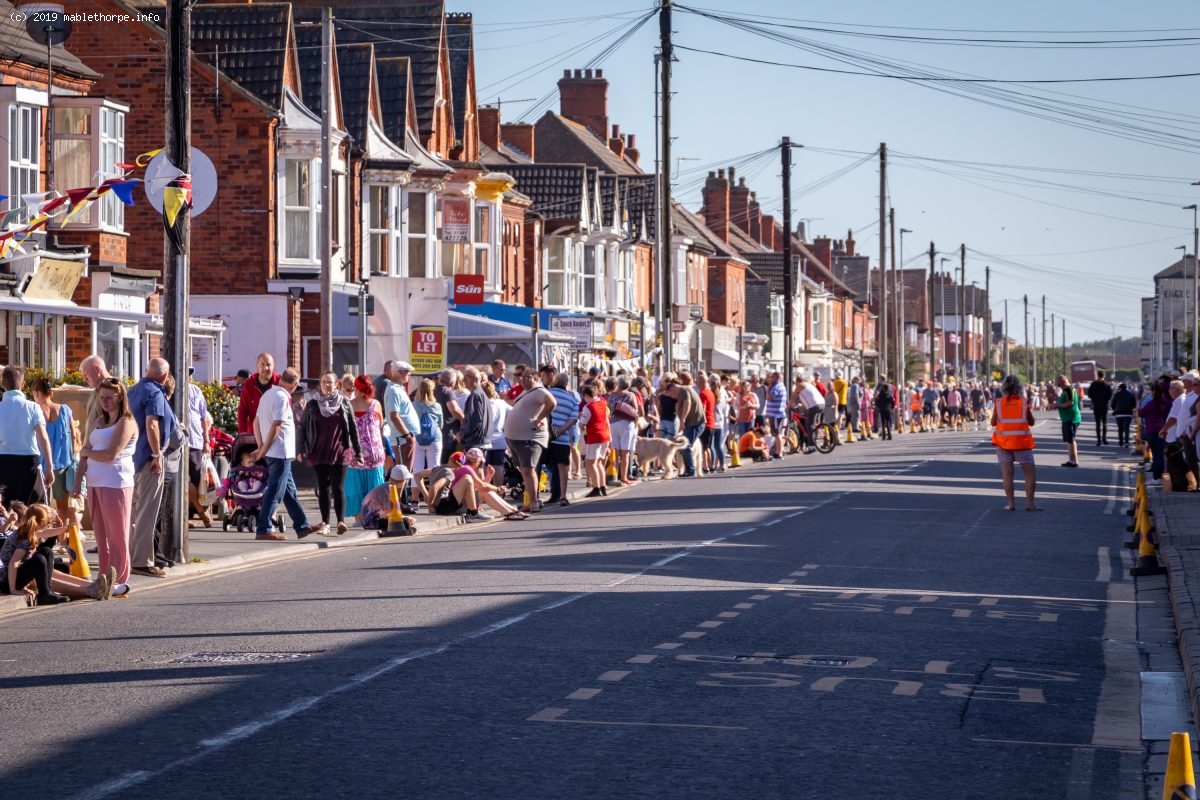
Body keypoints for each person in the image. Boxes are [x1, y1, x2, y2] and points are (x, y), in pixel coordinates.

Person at [72, 377, 138, 596]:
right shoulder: (99, 421)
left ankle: (120, 579)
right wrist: (77, 483)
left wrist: (87, 452)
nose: (105, 402)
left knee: (117, 534)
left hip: (116, 482)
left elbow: (111, 455)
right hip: (95, 482)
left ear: (120, 398)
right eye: (102, 398)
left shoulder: (126, 422)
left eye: (109, 398)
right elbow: (84, 453)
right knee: (100, 536)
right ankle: (103, 576)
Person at [252, 367, 326, 540]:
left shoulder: (267, 395)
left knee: (289, 491)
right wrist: (263, 449)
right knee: (275, 491)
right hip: (280, 452)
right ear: (294, 384)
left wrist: (261, 445)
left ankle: (302, 526)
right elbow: (276, 426)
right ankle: (263, 528)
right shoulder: (282, 398)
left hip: (275, 452)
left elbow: (256, 422)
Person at [1, 504, 113, 605]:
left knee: (46, 552)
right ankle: (85, 590)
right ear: (42, 524)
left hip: (15, 576)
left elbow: (44, 533)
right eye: (48, 524)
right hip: (7, 582)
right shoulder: (24, 538)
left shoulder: (29, 532)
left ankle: (92, 585)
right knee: (39, 560)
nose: (48, 526)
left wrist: (64, 529)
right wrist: (13, 589)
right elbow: (13, 563)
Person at [127, 358, 176, 578]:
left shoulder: (133, 390)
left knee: (132, 513)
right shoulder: (155, 393)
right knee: (146, 513)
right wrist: (157, 454)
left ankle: (129, 557)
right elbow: (152, 423)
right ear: (165, 376)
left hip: (131, 459)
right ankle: (142, 561)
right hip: (148, 460)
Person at [300, 371, 362, 535]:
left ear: (336, 385)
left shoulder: (344, 403)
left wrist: (358, 451)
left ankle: (341, 521)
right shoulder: (312, 405)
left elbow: (353, 428)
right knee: (323, 488)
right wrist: (300, 449)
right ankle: (326, 523)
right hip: (318, 452)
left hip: (340, 452)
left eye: (330, 382)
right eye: (324, 382)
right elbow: (303, 427)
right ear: (320, 385)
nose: (327, 385)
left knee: (338, 487)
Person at [0, 366, 54, 505]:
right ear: (23, 384)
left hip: (3, 462)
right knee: (33, 510)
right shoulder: (33, 407)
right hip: (29, 463)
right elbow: (43, 437)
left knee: (4, 509)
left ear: (3, 385)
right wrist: (49, 466)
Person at [504, 367, 555, 513]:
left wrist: (540, 418)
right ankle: (530, 500)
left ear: (535, 378)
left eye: (527, 377)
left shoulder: (539, 390)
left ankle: (533, 502)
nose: (523, 379)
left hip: (529, 437)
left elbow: (552, 402)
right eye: (521, 376)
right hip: (516, 438)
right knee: (523, 470)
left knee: (528, 469)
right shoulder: (526, 391)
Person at [30, 378, 76, 522]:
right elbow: (74, 436)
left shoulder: (34, 411)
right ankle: (61, 535)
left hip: (40, 466)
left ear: (37, 393)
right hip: (61, 464)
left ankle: (43, 534)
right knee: (62, 507)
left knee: (38, 508)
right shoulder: (65, 410)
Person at [991, 374, 1039, 512]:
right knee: (1029, 474)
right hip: (1021, 443)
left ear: (1003, 388)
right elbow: (1031, 422)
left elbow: (993, 422)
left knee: (1007, 474)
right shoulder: (1023, 402)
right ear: (1019, 387)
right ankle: (1030, 504)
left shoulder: (999, 403)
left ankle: (1011, 504)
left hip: (1003, 444)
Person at [344, 374, 386, 525]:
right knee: (375, 486)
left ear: (356, 389)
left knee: (355, 487)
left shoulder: (348, 405)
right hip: (374, 452)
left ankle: (359, 518)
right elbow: (380, 425)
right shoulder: (376, 404)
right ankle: (375, 516)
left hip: (356, 454)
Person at [451, 447, 526, 520]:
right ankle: (508, 512)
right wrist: (498, 489)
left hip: (458, 503)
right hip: (455, 506)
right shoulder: (467, 468)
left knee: (486, 491)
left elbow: (480, 487)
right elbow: (482, 486)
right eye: (481, 463)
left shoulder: (465, 467)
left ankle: (512, 511)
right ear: (477, 462)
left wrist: (489, 475)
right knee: (485, 492)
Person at [546, 372, 580, 503]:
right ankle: (563, 495)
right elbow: (573, 419)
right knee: (562, 467)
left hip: (545, 435)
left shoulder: (547, 393)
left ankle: (538, 495)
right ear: (566, 384)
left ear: (555, 381)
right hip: (562, 438)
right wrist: (560, 430)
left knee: (543, 465)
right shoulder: (572, 399)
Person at [184, 371, 213, 526]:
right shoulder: (169, 389)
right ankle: (199, 511)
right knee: (183, 480)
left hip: (195, 440)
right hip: (177, 443)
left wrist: (206, 441)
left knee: (198, 480)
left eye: (188, 373)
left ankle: (201, 509)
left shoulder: (195, 390)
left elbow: (203, 417)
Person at [384, 360, 419, 474]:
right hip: (402, 438)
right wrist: (407, 435)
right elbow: (394, 416)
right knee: (403, 473)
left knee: (404, 473)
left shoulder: (397, 388)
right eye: (407, 372)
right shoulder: (394, 390)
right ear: (400, 372)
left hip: (403, 437)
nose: (409, 374)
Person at [579, 383, 611, 497]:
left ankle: (596, 488)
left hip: (594, 437)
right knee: (599, 463)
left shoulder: (588, 407)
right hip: (605, 435)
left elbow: (582, 425)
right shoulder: (603, 403)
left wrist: (580, 422)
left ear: (587, 395)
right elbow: (606, 419)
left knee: (590, 462)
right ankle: (603, 486)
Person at [412, 377, 445, 483]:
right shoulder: (437, 406)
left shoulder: (414, 405)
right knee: (435, 468)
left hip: (418, 438)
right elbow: (440, 425)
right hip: (435, 438)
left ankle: (415, 493)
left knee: (416, 469)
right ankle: (434, 492)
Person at [238, 353, 279, 434]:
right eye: (262, 364)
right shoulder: (249, 385)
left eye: (268, 365)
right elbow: (243, 410)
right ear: (257, 365)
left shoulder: (279, 383)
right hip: (254, 434)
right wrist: (243, 434)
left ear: (273, 366)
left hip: (276, 434)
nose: (265, 368)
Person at [459, 366, 493, 454]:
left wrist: (463, 434)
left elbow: (474, 421)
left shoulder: (475, 395)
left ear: (475, 379)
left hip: (475, 442)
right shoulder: (481, 394)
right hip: (480, 440)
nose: (464, 380)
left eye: (466, 377)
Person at [434, 368, 465, 461]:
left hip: (433, 434)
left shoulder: (433, 390)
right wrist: (463, 419)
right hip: (447, 435)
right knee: (446, 463)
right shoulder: (447, 392)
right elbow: (454, 410)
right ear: (452, 382)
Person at [1054, 374, 1082, 467]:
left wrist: (1058, 405)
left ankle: (1074, 460)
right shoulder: (1066, 390)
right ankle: (1071, 459)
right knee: (1069, 440)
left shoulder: (1069, 389)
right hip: (1067, 418)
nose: (1059, 387)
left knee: (1071, 439)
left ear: (1063, 382)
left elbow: (1070, 402)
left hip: (1071, 418)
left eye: (1059, 384)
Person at [482, 380, 510, 471]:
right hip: (500, 440)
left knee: (484, 467)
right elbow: (513, 412)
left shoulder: (481, 404)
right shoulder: (501, 403)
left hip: (484, 440)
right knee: (498, 467)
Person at [794, 378, 825, 454]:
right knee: (811, 424)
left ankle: (811, 446)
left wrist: (789, 406)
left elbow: (793, 397)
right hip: (821, 404)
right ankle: (811, 439)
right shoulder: (810, 387)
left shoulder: (801, 387)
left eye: (795, 383)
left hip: (812, 407)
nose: (795, 384)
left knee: (809, 426)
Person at [762, 372, 787, 460]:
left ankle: (779, 453)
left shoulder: (776, 386)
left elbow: (769, 397)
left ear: (776, 377)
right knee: (776, 433)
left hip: (775, 414)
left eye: (772, 377)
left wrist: (768, 388)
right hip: (776, 413)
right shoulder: (781, 385)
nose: (770, 379)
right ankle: (778, 451)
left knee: (777, 433)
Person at [1087, 372, 1113, 446]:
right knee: (1104, 422)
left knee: (1097, 423)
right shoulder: (1107, 385)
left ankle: (1098, 440)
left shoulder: (1093, 384)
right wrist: (1105, 399)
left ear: (1097, 376)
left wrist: (1094, 399)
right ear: (1104, 376)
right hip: (1104, 405)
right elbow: (1110, 395)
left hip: (1096, 405)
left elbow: (1089, 394)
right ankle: (1104, 439)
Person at [1111, 382, 1138, 449]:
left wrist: (1115, 409)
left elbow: (1112, 404)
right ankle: (1126, 443)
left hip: (1119, 414)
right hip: (1128, 414)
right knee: (1126, 428)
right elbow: (1134, 404)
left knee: (1120, 428)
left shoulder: (1117, 394)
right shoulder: (1131, 394)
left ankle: (1121, 442)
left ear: (1120, 388)